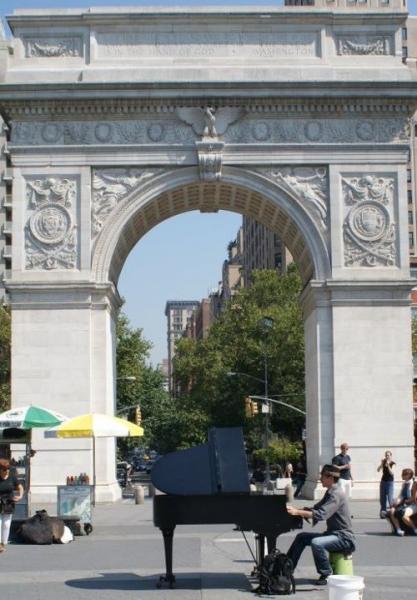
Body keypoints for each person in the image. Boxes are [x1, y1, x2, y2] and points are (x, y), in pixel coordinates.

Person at [286, 464, 355, 586]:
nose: (320, 479)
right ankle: (287, 569)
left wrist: (297, 512)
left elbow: (321, 514)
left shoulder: (337, 494)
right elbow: (316, 508)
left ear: (330, 477)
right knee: (301, 537)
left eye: (322, 476)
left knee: (317, 543)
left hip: (344, 538)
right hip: (333, 534)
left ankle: (327, 573)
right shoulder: (330, 492)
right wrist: (296, 510)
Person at [0, 458, 24, 552]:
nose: (7, 471)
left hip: (9, 502)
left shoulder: (12, 476)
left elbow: (20, 487)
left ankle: (3, 543)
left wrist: (20, 496)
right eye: (5, 470)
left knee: (6, 524)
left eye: (8, 469)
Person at [387, 468, 415, 536]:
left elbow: (413, 497)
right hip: (403, 503)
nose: (402, 476)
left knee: (402, 513)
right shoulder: (404, 483)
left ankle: (414, 529)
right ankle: (398, 529)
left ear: (408, 475)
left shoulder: (413, 484)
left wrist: (405, 501)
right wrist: (396, 501)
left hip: (410, 503)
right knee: (392, 511)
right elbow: (401, 495)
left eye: (404, 474)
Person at [377, 450, 395, 518]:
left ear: (391, 456)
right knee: (382, 498)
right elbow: (378, 470)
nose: (387, 456)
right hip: (383, 482)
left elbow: (392, 473)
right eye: (386, 455)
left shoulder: (393, 463)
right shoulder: (384, 462)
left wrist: (388, 465)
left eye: (388, 455)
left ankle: (392, 513)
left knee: (390, 499)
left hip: (390, 483)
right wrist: (381, 464)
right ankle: (383, 513)